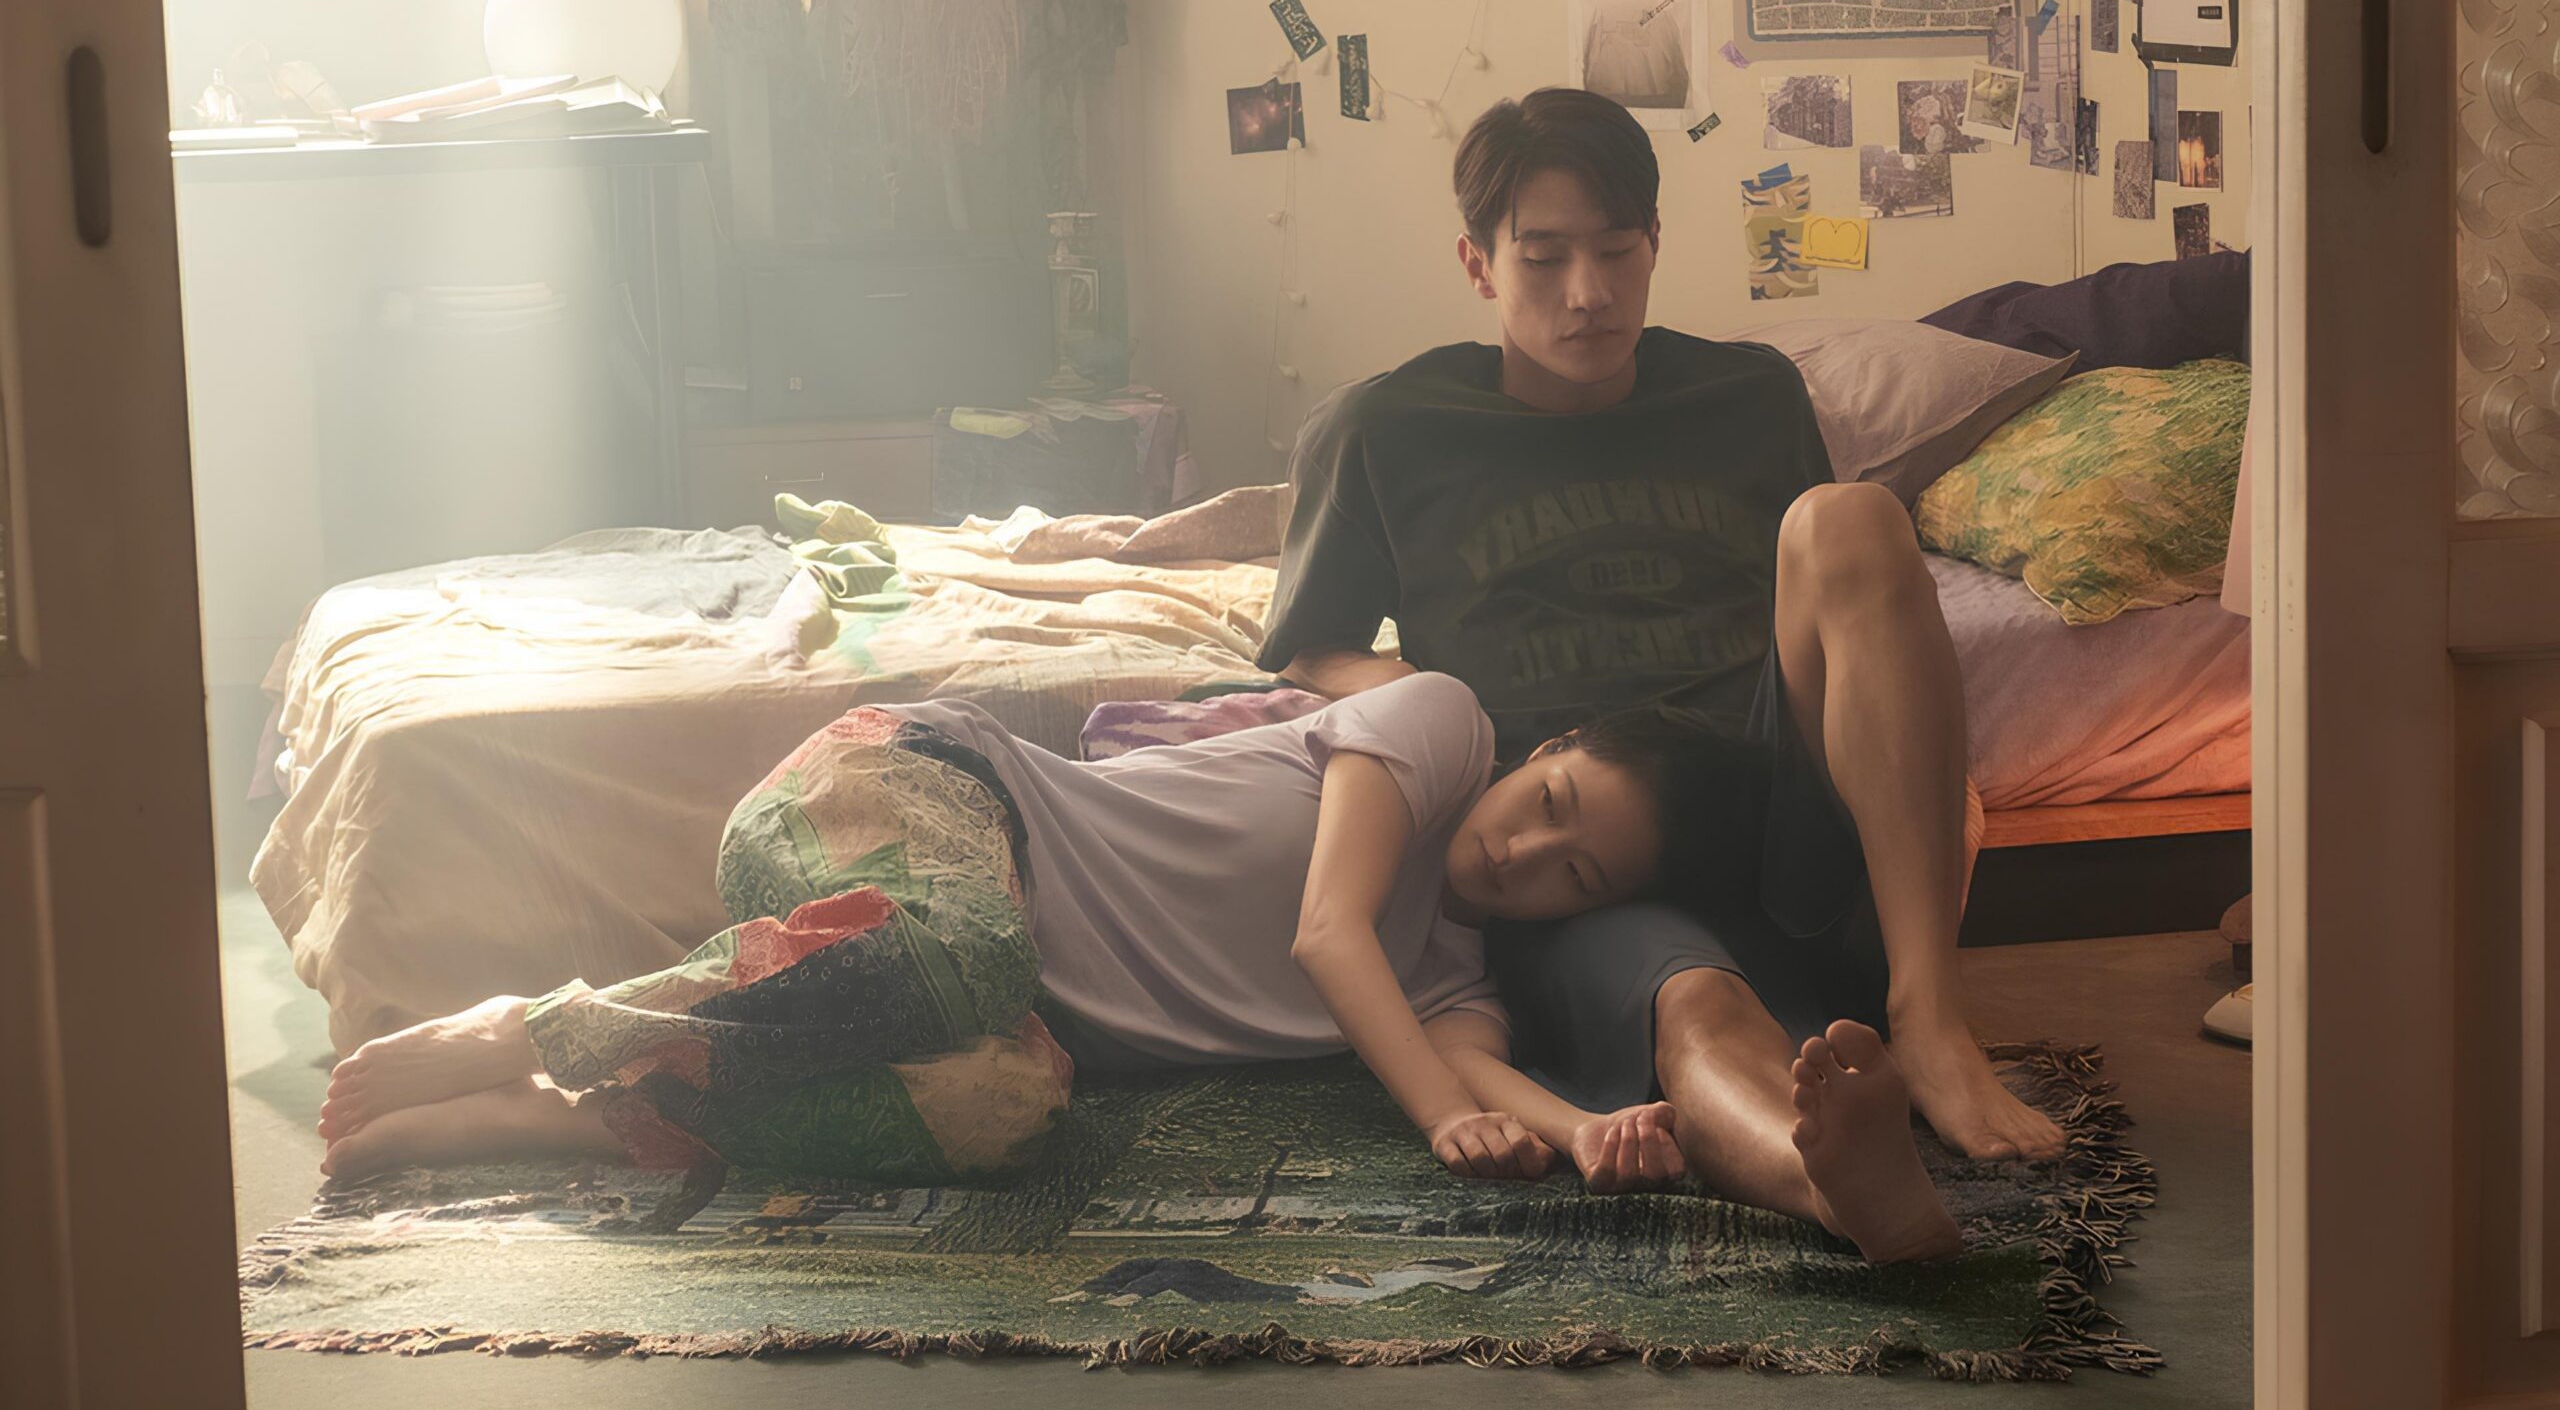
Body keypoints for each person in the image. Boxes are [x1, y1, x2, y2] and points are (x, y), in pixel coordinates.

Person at [1257, 87, 2067, 1265]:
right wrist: (1424, 695)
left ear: (1652, 244)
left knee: (1848, 518)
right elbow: (1305, 648)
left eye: (1614, 251)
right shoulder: (1386, 428)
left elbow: (1829, 607)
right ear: (1478, 264)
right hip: (1577, 851)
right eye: (1542, 258)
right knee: (1696, 1006)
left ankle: (1929, 1015)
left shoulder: (1748, 395)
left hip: (1767, 801)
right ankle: (1835, 1187)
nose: (1586, 293)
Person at [315, 673, 1757, 1201]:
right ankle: (537, 1022)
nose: (1522, 853)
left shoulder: (1448, 982)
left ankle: (567, 1113)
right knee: (975, 955)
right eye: (1550, 802)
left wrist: (1584, 1133)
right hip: (910, 788)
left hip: (936, 985)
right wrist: (1438, 1115)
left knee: (1003, 1107)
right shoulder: (1437, 726)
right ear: (1542, 749)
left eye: (1574, 874)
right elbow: (1330, 933)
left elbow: (1473, 1072)